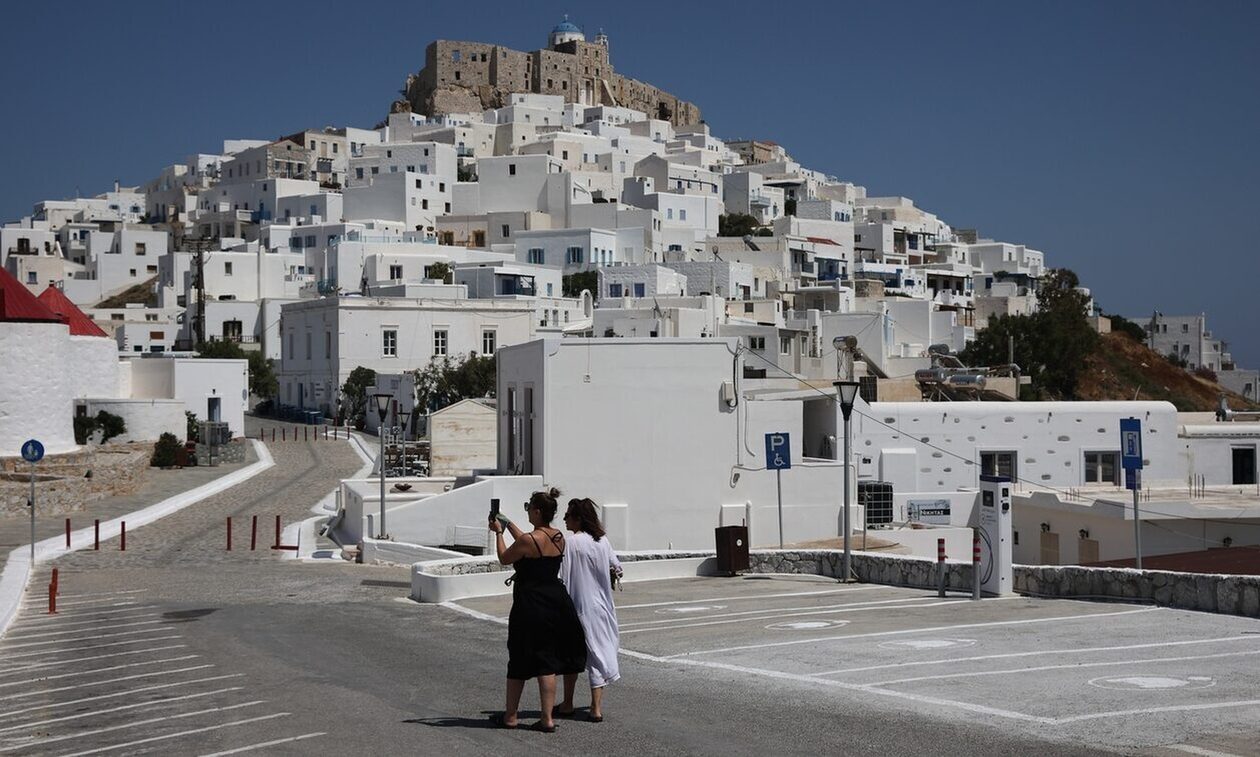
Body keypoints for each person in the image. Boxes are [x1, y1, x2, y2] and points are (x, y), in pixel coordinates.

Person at [488, 487, 587, 732]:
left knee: (519, 657)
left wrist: (498, 533)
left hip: (530, 603)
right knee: (548, 661)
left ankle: (510, 716)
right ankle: (547, 718)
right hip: (556, 600)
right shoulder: (558, 537)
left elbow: (505, 557)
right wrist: (508, 522)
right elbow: (531, 541)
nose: (528, 513)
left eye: (529, 508)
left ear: (537, 511)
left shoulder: (528, 541)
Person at [555, 497, 623, 722]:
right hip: (603, 606)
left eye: (567, 515)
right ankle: (595, 706)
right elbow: (617, 567)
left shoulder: (571, 543)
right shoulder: (603, 541)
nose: (565, 519)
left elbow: (561, 576)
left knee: (574, 654)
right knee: (599, 653)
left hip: (578, 606)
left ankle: (569, 703)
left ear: (577, 518)